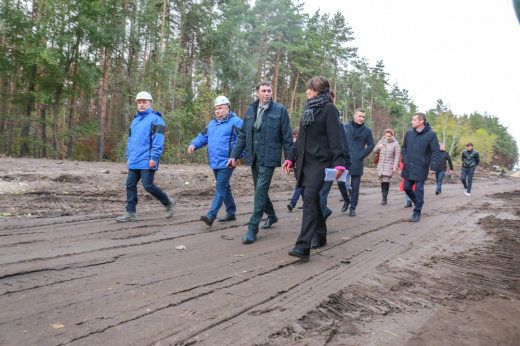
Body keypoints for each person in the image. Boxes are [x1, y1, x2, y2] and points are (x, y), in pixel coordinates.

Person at [282, 76, 345, 261]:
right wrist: (290, 159)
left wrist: (339, 163)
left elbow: (335, 138)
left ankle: (303, 246)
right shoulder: (308, 109)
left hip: (320, 163)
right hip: (304, 162)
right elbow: (300, 138)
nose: (306, 92)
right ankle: (321, 234)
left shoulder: (329, 109)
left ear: (317, 90)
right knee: (314, 201)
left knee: (309, 199)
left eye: (309, 89)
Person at [228, 81, 293, 244]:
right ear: (257, 93)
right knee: (260, 190)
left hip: (269, 157)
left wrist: (290, 159)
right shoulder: (250, 111)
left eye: (269, 91)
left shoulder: (280, 111)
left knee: (259, 191)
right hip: (253, 156)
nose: (266, 93)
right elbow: (243, 135)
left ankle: (252, 228)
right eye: (263, 91)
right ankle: (272, 215)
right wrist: (234, 156)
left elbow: (287, 137)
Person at [116, 91, 175, 222]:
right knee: (130, 185)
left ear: (150, 103)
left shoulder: (156, 119)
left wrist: (154, 157)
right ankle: (130, 212)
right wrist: (128, 155)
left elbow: (158, 140)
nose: (141, 105)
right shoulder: (135, 121)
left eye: (144, 102)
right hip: (134, 159)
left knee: (147, 185)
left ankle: (168, 202)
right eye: (139, 102)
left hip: (147, 159)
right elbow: (130, 140)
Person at [188, 96, 243, 226]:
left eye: (220, 108)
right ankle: (231, 213)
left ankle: (211, 215)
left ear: (227, 108)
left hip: (228, 161)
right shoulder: (212, 124)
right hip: (215, 161)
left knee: (220, 187)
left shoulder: (237, 122)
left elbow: (244, 140)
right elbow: (202, 136)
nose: (217, 111)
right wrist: (194, 144)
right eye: (216, 109)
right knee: (225, 187)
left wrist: (237, 157)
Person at [401, 112, 440, 222]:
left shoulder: (431, 135)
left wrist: (434, 166)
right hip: (409, 166)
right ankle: (419, 202)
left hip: (421, 167)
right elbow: (404, 148)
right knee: (407, 188)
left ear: (421, 121)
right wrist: (404, 158)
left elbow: (435, 151)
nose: (411, 121)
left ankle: (417, 212)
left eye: (414, 120)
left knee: (419, 190)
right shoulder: (409, 133)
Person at [344, 109, 375, 216]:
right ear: (354, 116)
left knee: (355, 186)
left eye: (363, 117)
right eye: (359, 116)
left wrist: (362, 154)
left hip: (357, 161)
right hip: (344, 160)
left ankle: (352, 208)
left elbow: (371, 145)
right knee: (341, 183)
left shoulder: (367, 130)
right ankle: (346, 199)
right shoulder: (345, 127)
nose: (361, 118)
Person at [319, 120, 351, 219]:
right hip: (316, 163)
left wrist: (345, 164)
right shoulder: (312, 120)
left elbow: (344, 146)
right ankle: (324, 211)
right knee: (312, 194)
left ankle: (319, 223)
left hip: (334, 163)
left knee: (322, 193)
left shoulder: (338, 124)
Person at [372, 129, 400, 205]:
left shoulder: (395, 144)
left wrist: (395, 166)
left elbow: (397, 156)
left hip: (389, 165)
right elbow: (374, 151)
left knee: (385, 180)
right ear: (384, 135)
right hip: (381, 165)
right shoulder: (381, 142)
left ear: (392, 135)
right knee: (382, 181)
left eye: (389, 136)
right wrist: (378, 147)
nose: (388, 138)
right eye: (386, 136)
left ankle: (385, 197)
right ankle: (383, 195)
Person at [287, 127, 304, 211]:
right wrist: (290, 166)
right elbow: (292, 155)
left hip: (303, 168)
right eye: (295, 137)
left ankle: (292, 203)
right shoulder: (294, 143)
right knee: (302, 186)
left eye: (297, 137)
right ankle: (306, 203)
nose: (295, 139)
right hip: (296, 168)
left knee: (299, 186)